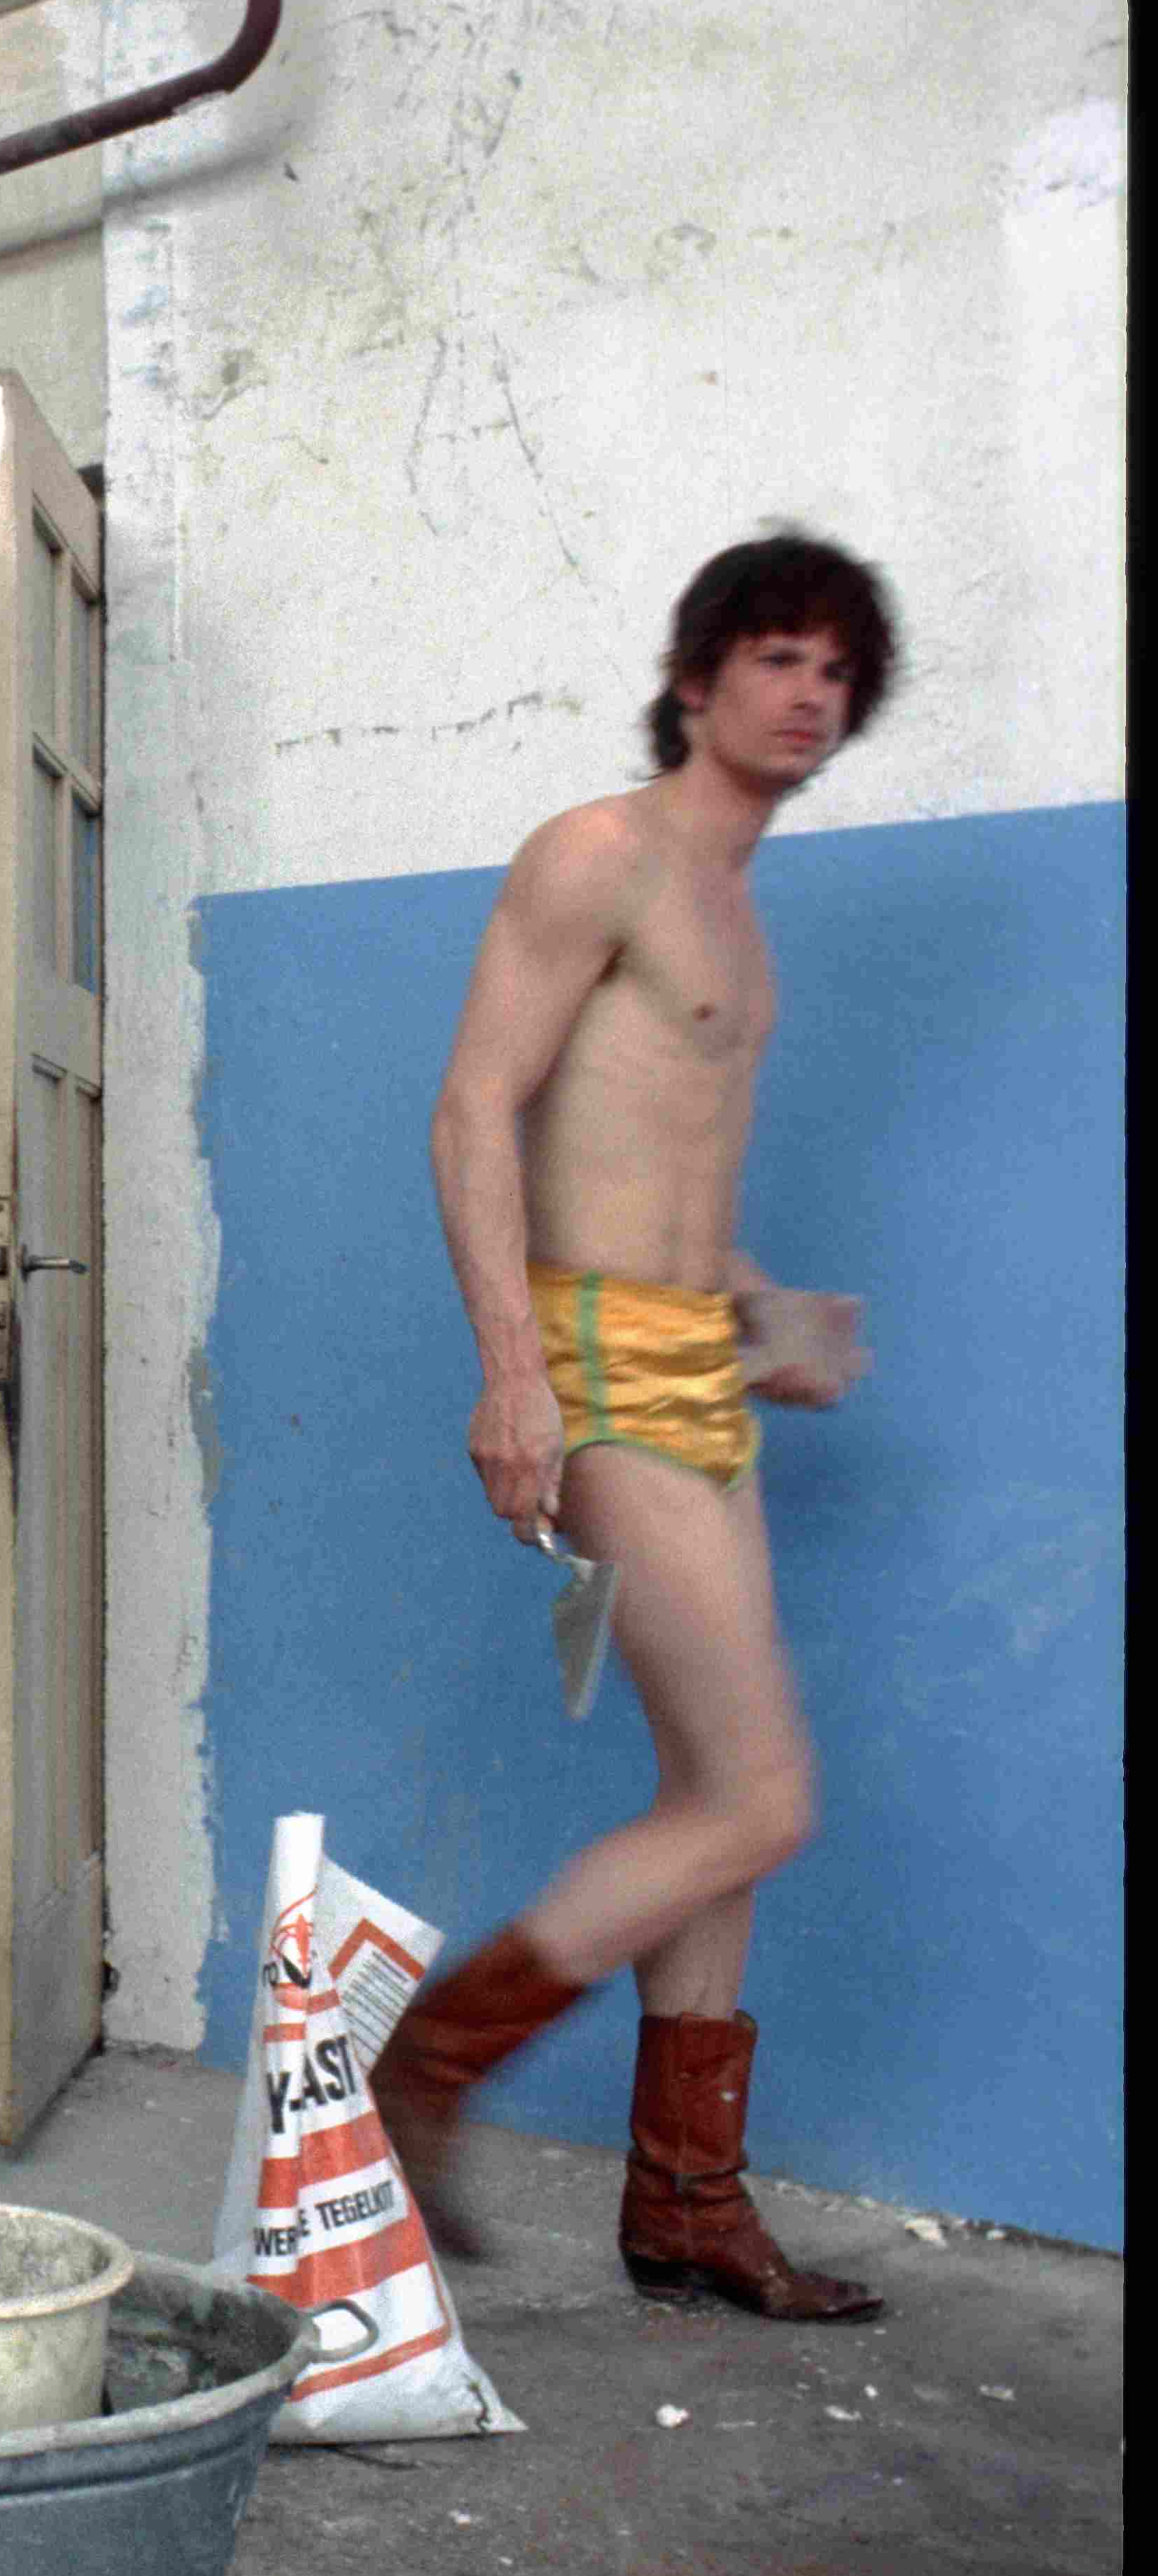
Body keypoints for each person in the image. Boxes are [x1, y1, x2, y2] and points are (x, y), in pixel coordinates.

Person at [368, 527, 900, 2321]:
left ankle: (684, 2202)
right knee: (761, 1797)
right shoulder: (596, 853)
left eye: (835, 669)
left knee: (710, 1804)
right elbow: (472, 1110)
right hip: (594, 1364)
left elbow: (655, 1178)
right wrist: (509, 1372)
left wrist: (762, 1306)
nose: (808, 692)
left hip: (692, 1362)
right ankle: (423, 2063)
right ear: (693, 678)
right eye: (776, 657)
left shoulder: (736, 913)